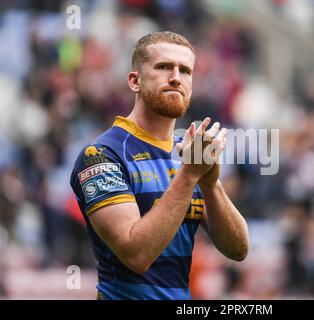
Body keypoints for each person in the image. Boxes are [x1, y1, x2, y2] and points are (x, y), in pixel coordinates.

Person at [70, 31, 250, 300]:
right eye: (164, 67)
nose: (176, 77)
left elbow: (238, 250)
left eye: (185, 71)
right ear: (134, 81)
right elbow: (136, 255)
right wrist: (189, 175)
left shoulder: (188, 152)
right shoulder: (100, 155)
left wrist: (210, 183)